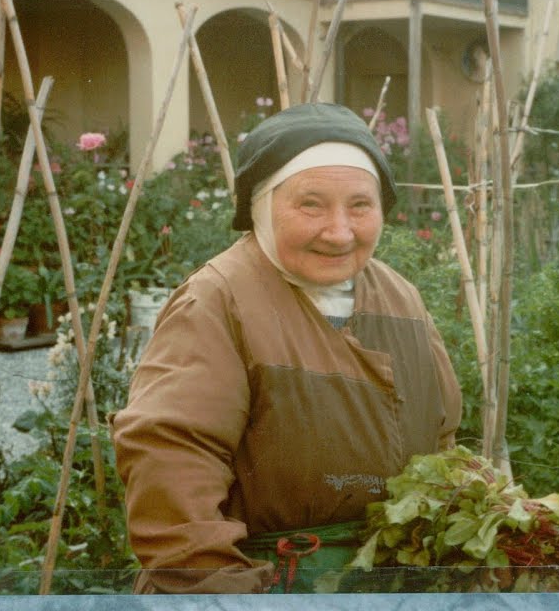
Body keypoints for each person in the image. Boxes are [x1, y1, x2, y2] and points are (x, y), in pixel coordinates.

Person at [112, 102, 463, 594]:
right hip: (264, 583)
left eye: (360, 206)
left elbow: (442, 443)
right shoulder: (219, 301)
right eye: (311, 205)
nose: (340, 232)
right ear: (260, 206)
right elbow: (172, 478)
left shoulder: (401, 299)